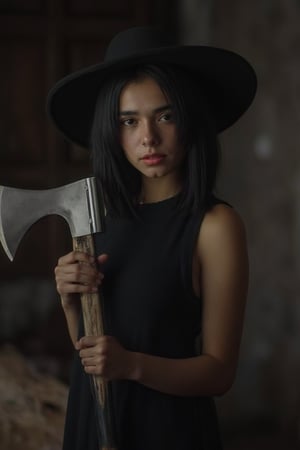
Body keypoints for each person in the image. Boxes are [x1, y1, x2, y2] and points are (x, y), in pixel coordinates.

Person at [47, 26, 257, 450]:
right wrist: (71, 301)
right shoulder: (98, 217)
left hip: (167, 431)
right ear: (112, 130)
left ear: (189, 118)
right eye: (129, 121)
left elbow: (219, 372)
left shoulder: (215, 225)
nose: (148, 138)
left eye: (165, 115)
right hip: (94, 423)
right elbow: (91, 353)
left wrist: (133, 366)